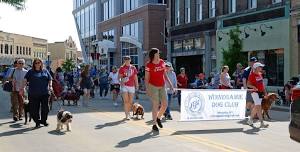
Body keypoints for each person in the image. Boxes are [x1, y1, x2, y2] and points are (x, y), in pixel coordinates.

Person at [145, 48, 174, 132]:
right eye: (158, 53)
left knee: (165, 104)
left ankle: (158, 118)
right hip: (152, 86)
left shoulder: (162, 62)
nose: (159, 54)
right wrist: (147, 89)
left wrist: (170, 84)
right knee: (155, 104)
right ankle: (154, 124)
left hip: (162, 85)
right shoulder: (149, 65)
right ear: (154, 54)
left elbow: (165, 74)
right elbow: (147, 78)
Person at [22, 58, 53, 128]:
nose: (37, 64)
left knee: (46, 108)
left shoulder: (45, 71)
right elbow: (25, 79)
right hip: (33, 94)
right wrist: (23, 87)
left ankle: (43, 120)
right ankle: (37, 121)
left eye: (39, 62)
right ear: (34, 64)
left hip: (44, 93)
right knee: (34, 109)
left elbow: (50, 79)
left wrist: (50, 86)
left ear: (41, 63)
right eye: (36, 63)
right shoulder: (30, 71)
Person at [247, 62, 269, 128]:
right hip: (255, 92)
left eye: (261, 67)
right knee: (259, 106)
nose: (261, 68)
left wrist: (265, 92)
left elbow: (262, 85)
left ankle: (250, 120)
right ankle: (262, 123)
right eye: (260, 67)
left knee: (256, 107)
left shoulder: (260, 74)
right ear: (256, 68)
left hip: (261, 92)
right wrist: (253, 87)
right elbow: (248, 84)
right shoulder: (252, 75)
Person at [119, 56, 138, 120]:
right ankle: (127, 115)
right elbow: (119, 78)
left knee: (130, 101)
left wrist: (137, 85)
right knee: (126, 101)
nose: (127, 60)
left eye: (128, 59)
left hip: (132, 86)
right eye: (125, 59)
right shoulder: (122, 68)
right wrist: (122, 80)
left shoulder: (133, 67)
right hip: (124, 86)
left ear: (130, 60)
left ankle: (128, 112)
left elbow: (135, 77)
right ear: (124, 60)